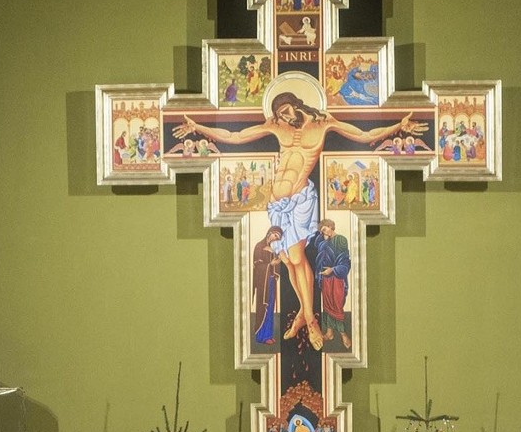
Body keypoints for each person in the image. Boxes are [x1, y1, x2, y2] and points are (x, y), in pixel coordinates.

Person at [174, 90, 426, 351]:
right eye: (279, 115)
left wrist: (398, 126)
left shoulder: (323, 123)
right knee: (290, 262)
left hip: (300, 201)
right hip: (277, 205)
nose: (283, 118)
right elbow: (235, 136)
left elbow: (363, 135)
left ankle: (309, 319)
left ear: (295, 105)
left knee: (296, 259)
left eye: (285, 112)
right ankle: (305, 315)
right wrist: (198, 127)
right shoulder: (275, 124)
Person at [306, 218, 351, 349]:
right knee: (326, 305)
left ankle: (343, 334)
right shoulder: (324, 242)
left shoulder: (340, 239)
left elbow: (344, 260)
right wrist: (322, 237)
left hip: (336, 277)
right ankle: (329, 332)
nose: (324, 232)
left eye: (325, 229)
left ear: (331, 226)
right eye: (322, 231)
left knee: (337, 305)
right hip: (325, 278)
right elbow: (318, 246)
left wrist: (333, 270)